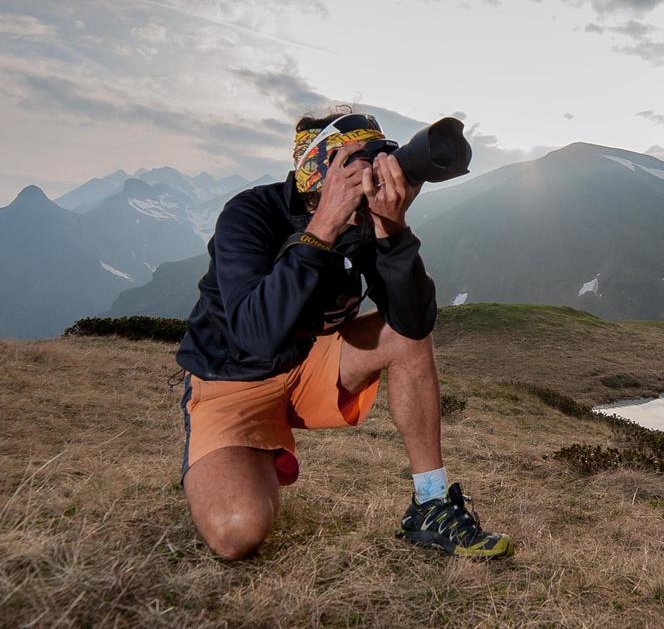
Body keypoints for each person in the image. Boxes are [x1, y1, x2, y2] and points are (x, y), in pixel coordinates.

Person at [174, 108, 512, 560]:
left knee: (401, 335)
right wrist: (323, 228)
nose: (372, 176)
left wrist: (392, 232)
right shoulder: (250, 214)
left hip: (309, 365)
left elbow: (413, 324)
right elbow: (255, 334)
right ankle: (238, 458)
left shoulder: (368, 222)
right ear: (319, 170)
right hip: (230, 385)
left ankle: (430, 503)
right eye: (357, 163)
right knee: (238, 534)